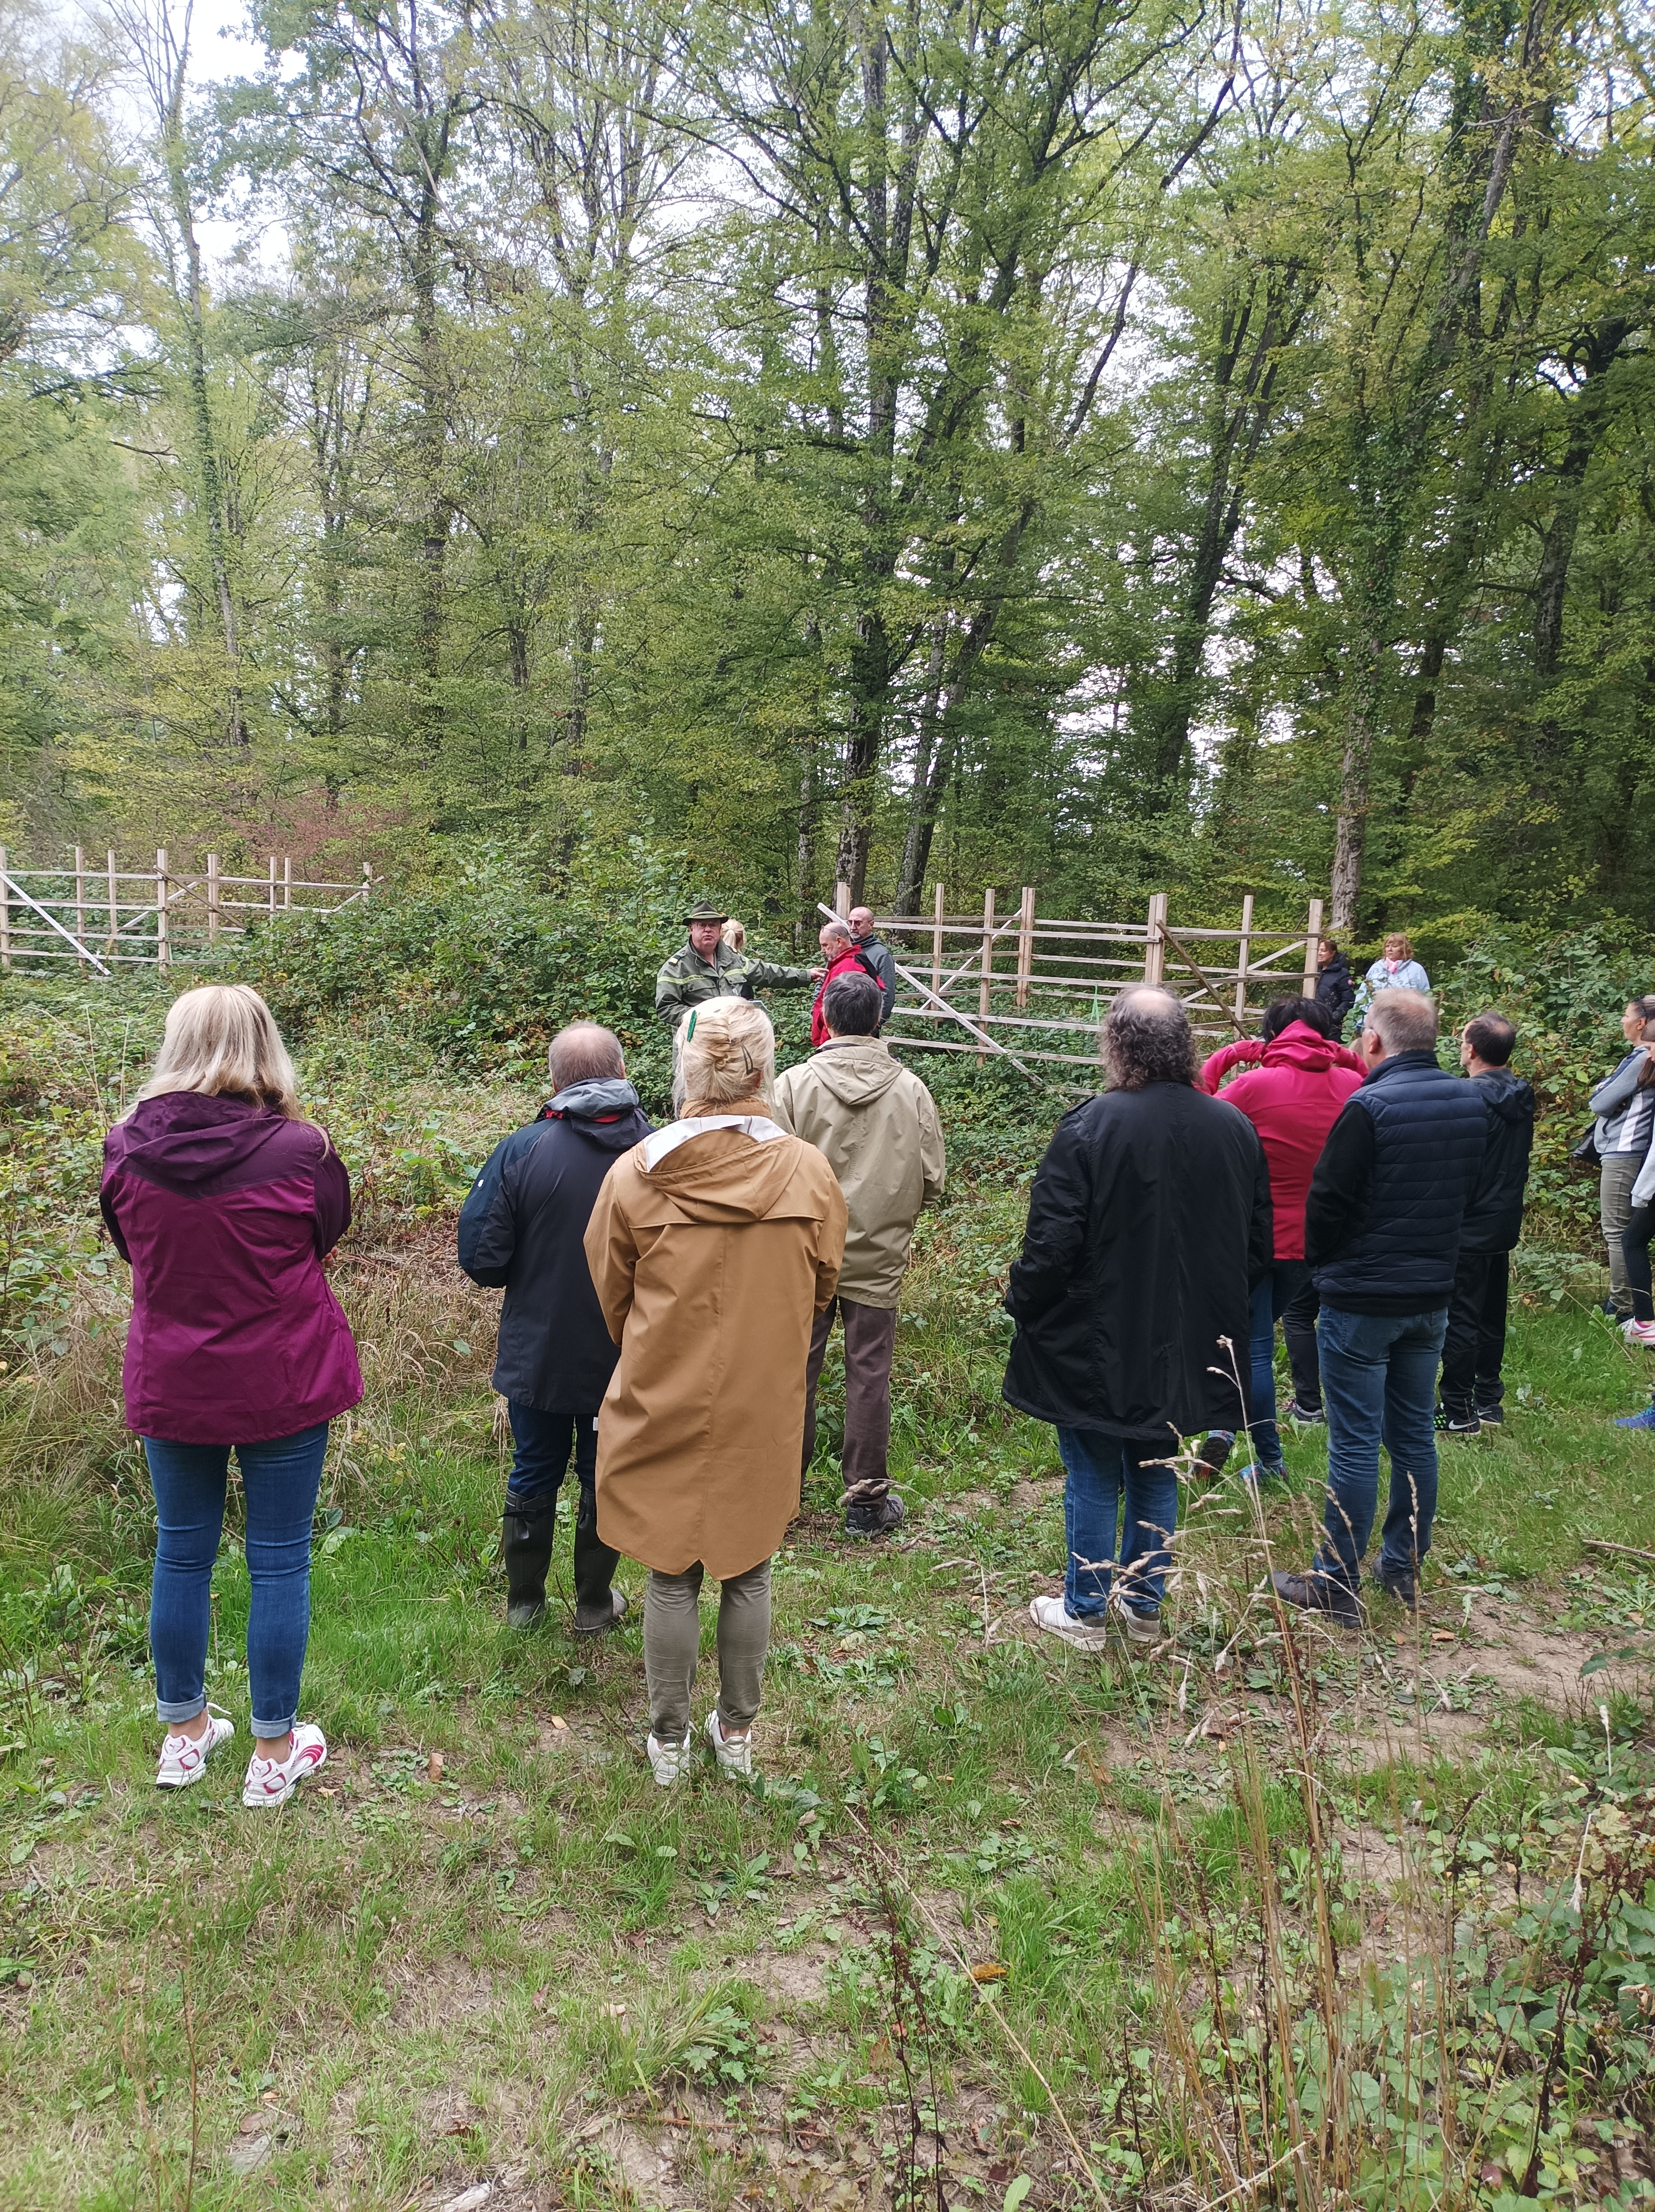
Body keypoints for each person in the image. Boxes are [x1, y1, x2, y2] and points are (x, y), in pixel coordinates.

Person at [98, 984, 361, 1808]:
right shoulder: (301, 1150)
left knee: (181, 1549)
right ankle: (274, 1750)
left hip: (174, 1375)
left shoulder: (127, 1151)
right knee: (277, 1558)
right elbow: (327, 1233)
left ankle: (184, 1737)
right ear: (262, 1045)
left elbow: (130, 1249)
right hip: (282, 1376)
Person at [584, 998, 846, 1784]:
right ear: (764, 1069)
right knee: (750, 1563)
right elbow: (827, 1281)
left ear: (686, 1070)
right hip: (764, 1398)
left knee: (671, 1569)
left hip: (664, 1389)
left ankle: (668, 1741)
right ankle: (736, 1736)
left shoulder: (636, 1172)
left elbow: (612, 1294)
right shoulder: (808, 1170)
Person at [1002, 988, 1272, 1651]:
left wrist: (1023, 1300)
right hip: (1187, 1338)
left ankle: (1088, 1610)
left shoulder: (1090, 1126)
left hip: (1101, 1337)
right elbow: (1257, 1246)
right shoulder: (1231, 1126)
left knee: (1095, 1465)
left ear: (1117, 1044)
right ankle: (1144, 1606)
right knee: (1154, 1463)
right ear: (1183, 1045)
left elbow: (1052, 1243)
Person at [1271, 989, 1486, 1623]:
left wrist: (1324, 1266)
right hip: (1430, 1296)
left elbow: (1327, 1202)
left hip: (1362, 1296)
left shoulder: (1368, 1105)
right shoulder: (1471, 1101)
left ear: (1373, 1040)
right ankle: (1401, 1567)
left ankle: (1336, 1580)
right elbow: (1470, 1194)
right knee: (1415, 1434)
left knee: (1356, 1441)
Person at [457, 1023, 650, 1631]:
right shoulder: (660, 1150)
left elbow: (482, 1260)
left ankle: (524, 1608)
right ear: (621, 1072)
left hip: (539, 1352)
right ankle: (595, 1603)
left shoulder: (524, 1149)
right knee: (607, 1473)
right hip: (629, 1356)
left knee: (535, 1467)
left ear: (556, 1080)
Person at [773, 969, 945, 1536]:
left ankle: (778, 1496)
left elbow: (767, 1174)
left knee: (794, 1370)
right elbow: (934, 1177)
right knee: (869, 1370)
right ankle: (866, 1504)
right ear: (878, 1018)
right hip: (879, 1250)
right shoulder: (911, 1089)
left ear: (826, 1016)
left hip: (803, 1252)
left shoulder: (793, 1085)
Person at [1190, 999, 1364, 1483]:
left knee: (1255, 1348)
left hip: (1258, 1237)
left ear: (1271, 1035)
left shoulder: (1253, 1085)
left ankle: (1269, 1461)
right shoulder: (1352, 1084)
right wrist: (1344, 1056)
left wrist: (1228, 1056)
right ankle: (1226, 1430)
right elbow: (1374, 1079)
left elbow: (1196, 1115)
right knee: (1254, 1338)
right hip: (1320, 1241)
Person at [1437, 1013, 1534, 1434]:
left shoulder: (1465, 1097)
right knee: (1491, 1313)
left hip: (1467, 1221)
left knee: (1461, 1315)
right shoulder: (1522, 1093)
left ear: (1471, 1050)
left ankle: (1457, 1408)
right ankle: (1489, 1399)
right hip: (1503, 1219)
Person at [1589, 996, 1655, 1322]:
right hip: (1635, 1151)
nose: (1622, 1021)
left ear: (1641, 1023)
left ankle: (1622, 1304)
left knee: (1617, 1230)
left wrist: (1608, 1096)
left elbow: (1600, 1101)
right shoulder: (1641, 1057)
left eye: (1626, 1015)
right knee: (1625, 1231)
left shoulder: (1643, 1057)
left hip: (1624, 1151)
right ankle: (1625, 1300)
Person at [654, 899, 815, 1031]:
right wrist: (704, 1018)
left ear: (720, 929)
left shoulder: (733, 959)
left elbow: (767, 973)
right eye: (702, 925)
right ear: (691, 929)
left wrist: (806, 975)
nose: (708, 930)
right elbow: (666, 1008)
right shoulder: (676, 967)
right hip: (696, 1047)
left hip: (733, 1042)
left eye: (713, 925)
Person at [810, 919, 881, 1047]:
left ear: (838, 941)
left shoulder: (847, 968)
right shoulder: (849, 961)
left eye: (825, 945)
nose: (822, 950)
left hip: (839, 1043)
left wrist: (827, 1046)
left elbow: (839, 1013)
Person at [1352, 933, 1431, 1030]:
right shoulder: (1376, 968)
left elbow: (1426, 996)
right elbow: (1363, 994)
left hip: (1406, 1022)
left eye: (1394, 946)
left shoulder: (1416, 970)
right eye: (1387, 946)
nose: (1390, 949)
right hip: (1376, 1022)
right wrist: (1359, 1020)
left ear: (1403, 948)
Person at [847, 906, 898, 1024]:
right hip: (839, 1023)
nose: (852, 927)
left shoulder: (881, 955)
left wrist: (876, 1024)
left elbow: (887, 993)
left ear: (871, 925)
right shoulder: (844, 948)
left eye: (858, 923)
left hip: (866, 1024)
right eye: (850, 922)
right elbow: (825, 980)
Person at [1316, 937, 1356, 1035]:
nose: (1319, 953)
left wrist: (1333, 1018)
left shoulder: (1342, 973)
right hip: (1313, 1020)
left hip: (1331, 1027)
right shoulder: (1315, 971)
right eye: (1318, 950)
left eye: (1323, 951)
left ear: (1333, 953)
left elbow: (1348, 1000)